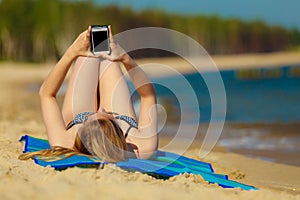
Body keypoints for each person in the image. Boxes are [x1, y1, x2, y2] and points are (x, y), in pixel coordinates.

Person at [19, 26, 158, 162]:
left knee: (87, 55)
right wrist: (125, 58)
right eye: (112, 120)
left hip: (78, 114)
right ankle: (105, 52)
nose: (101, 108)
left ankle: (87, 117)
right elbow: (148, 96)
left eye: (92, 116)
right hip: (123, 115)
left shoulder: (64, 141)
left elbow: (46, 94)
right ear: (120, 135)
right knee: (109, 59)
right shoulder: (143, 147)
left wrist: (72, 52)